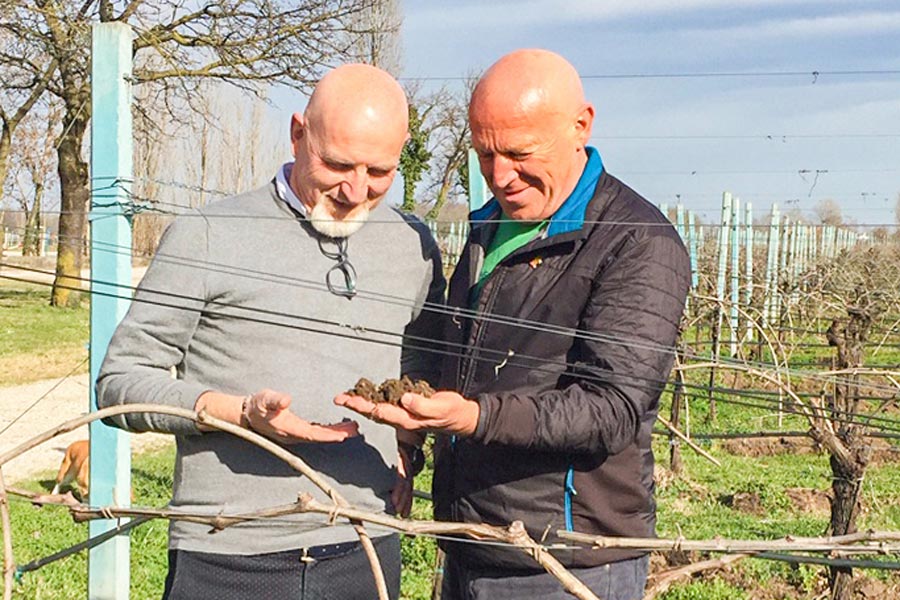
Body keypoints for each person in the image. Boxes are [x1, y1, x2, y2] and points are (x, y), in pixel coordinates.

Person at [335, 49, 691, 600]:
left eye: (519, 153)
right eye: (485, 154)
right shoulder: (490, 228)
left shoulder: (636, 242)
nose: (500, 176)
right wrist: (412, 426)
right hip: (472, 539)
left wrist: (473, 417)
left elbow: (612, 410)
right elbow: (457, 356)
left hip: (566, 560)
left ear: (581, 126)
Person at [97, 63, 445, 600]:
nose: (356, 191)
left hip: (367, 546)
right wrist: (238, 415)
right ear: (298, 132)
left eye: (379, 171)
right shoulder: (208, 235)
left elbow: (422, 364)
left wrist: (410, 444)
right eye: (337, 164)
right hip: (228, 554)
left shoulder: (413, 245)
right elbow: (118, 384)